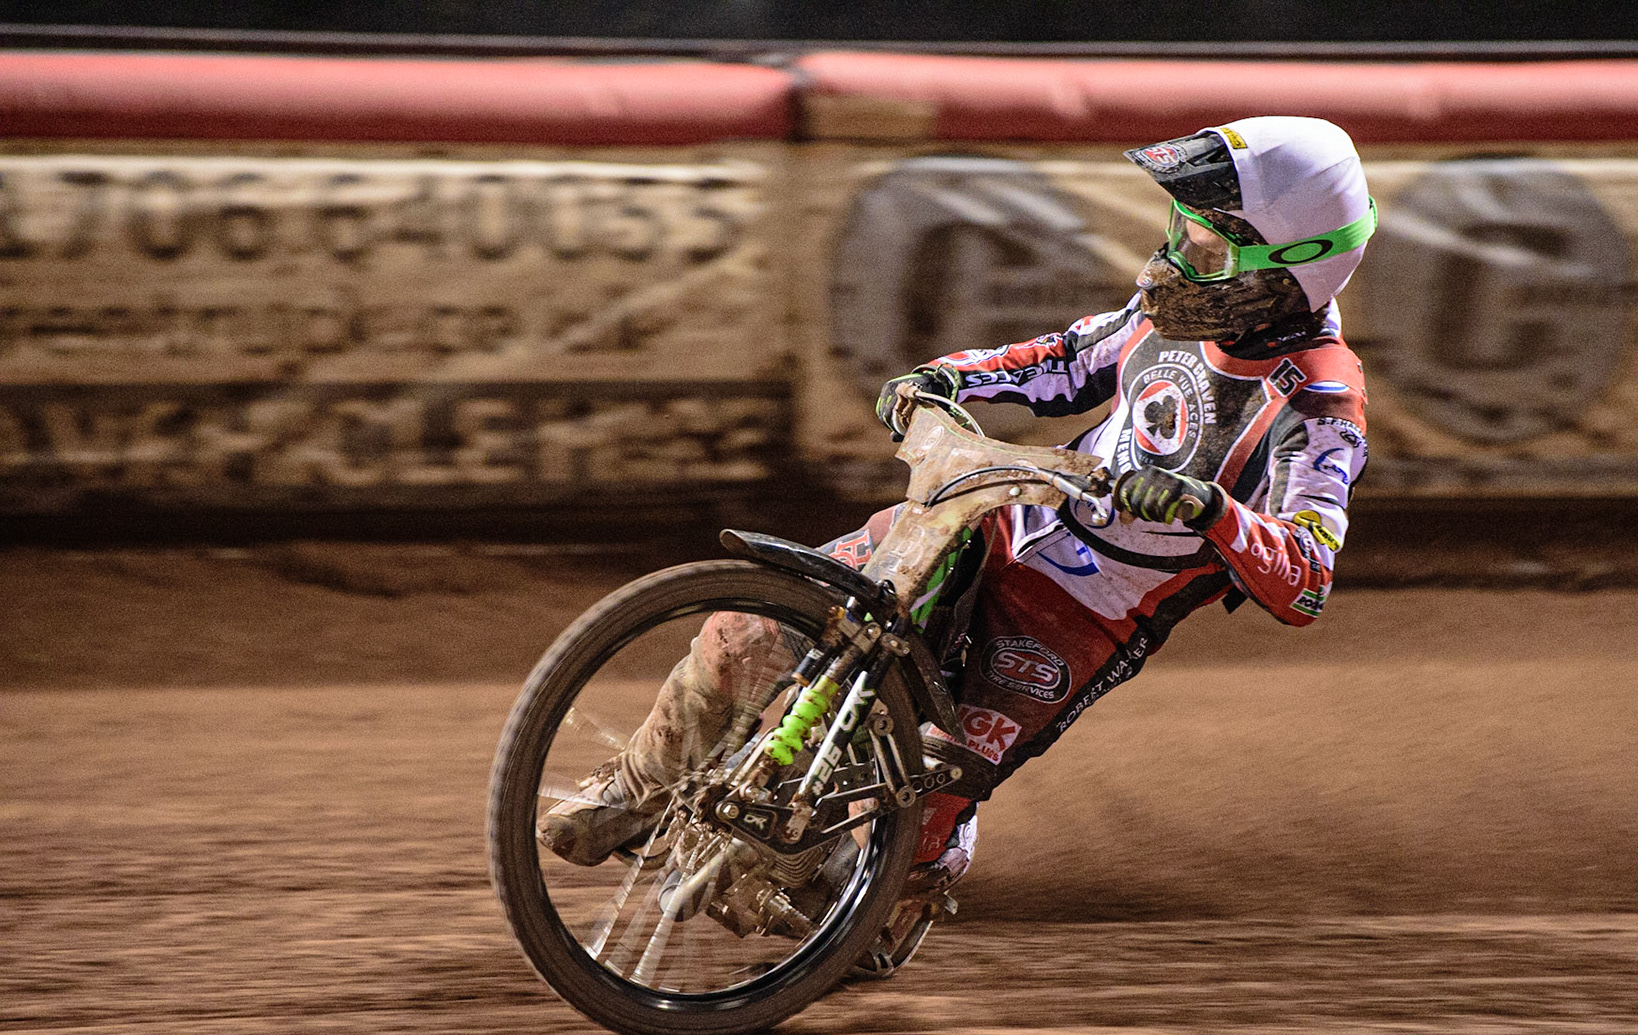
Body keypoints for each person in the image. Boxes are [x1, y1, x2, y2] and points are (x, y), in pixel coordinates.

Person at [539, 115, 1375, 968]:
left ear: (1290, 270)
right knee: (750, 629)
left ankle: (887, 901)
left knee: (933, 778)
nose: (1176, 260)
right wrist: (946, 377)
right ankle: (633, 790)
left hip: (1084, 615)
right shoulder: (1171, 317)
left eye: (1210, 249)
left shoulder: (1319, 403)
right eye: (1182, 231)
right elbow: (1066, 360)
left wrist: (1211, 511)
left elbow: (1306, 578)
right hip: (991, 513)